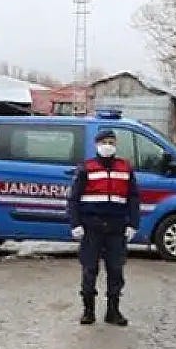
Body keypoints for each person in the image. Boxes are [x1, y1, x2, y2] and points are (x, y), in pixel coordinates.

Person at [66, 129, 141, 326]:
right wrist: (76, 224)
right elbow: (73, 199)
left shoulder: (125, 168)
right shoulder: (87, 168)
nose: (108, 145)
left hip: (117, 227)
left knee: (116, 270)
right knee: (90, 269)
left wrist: (133, 223)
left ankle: (113, 311)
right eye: (104, 142)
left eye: (112, 142)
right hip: (91, 227)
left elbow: (133, 198)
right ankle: (88, 310)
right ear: (97, 144)